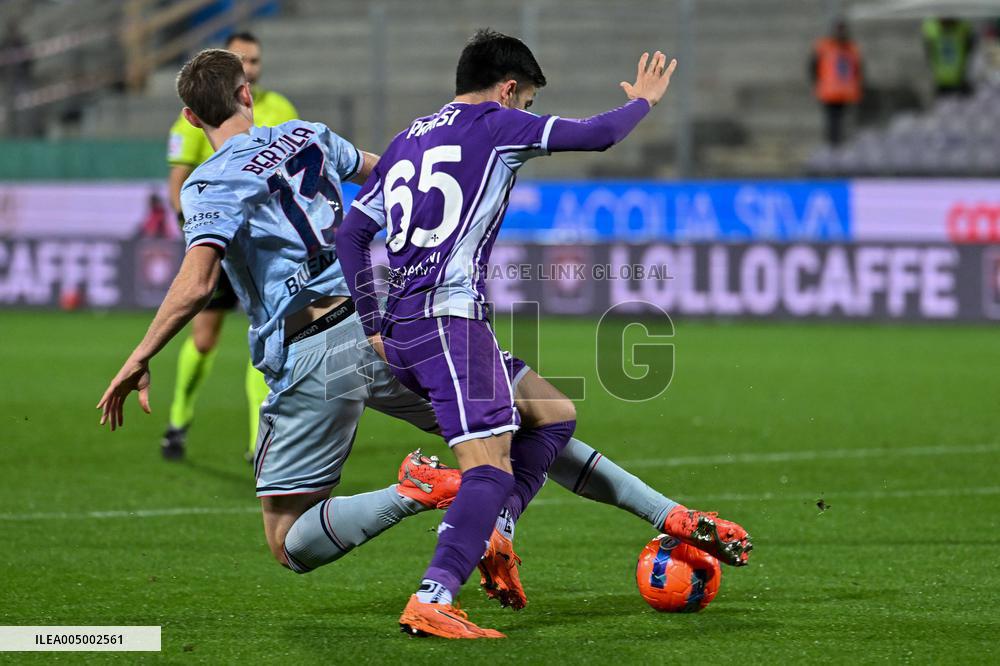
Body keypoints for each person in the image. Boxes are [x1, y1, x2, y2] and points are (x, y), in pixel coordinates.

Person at [98, 45, 750, 642]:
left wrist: (138, 356)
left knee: (289, 542)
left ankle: (419, 497)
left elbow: (196, 282)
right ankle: (637, 514)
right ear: (248, 95)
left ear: (189, 115)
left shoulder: (208, 183)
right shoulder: (309, 135)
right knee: (534, 419)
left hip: (318, 351)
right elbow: (391, 182)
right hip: (386, 330)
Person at [337, 29, 750, 639]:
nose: (527, 111)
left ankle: (496, 529)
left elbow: (351, 232)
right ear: (508, 90)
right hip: (447, 320)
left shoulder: (405, 140)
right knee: (488, 470)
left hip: (410, 326)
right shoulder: (497, 127)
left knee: (552, 413)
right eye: (527, 100)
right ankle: (433, 596)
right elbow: (599, 134)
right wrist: (644, 102)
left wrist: (374, 325)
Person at [162, 31, 297, 461]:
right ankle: (179, 421)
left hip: (270, 247)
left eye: (256, 60)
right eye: (243, 61)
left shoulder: (281, 109)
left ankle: (260, 439)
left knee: (268, 339)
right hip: (221, 244)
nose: (252, 68)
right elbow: (178, 185)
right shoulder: (207, 111)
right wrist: (206, 240)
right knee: (204, 340)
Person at [810, 20, 862, 147]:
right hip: (829, 91)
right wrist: (817, 82)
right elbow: (812, 66)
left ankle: (841, 143)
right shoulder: (824, 47)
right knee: (832, 120)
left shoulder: (851, 48)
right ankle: (833, 144)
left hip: (845, 91)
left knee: (843, 119)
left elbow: (858, 69)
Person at [923, 17, 976, 97]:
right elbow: (928, 53)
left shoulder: (963, 27)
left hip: (960, 78)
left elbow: (970, 50)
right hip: (940, 79)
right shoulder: (931, 28)